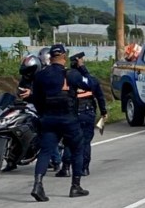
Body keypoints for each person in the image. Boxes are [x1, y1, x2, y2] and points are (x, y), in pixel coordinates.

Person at [30, 44, 91, 202]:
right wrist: (82, 67)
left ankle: (38, 184)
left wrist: (43, 113)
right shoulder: (71, 74)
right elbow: (90, 84)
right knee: (77, 149)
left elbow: (36, 98)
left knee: (45, 151)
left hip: (49, 118)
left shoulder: (41, 75)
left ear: (50, 57)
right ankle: (75, 186)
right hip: (68, 118)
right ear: (64, 56)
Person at [56, 53, 108, 177]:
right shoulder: (90, 79)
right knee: (85, 141)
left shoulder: (67, 78)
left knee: (69, 141)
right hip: (88, 112)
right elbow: (100, 97)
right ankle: (84, 168)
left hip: (73, 113)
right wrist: (103, 112)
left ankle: (66, 168)